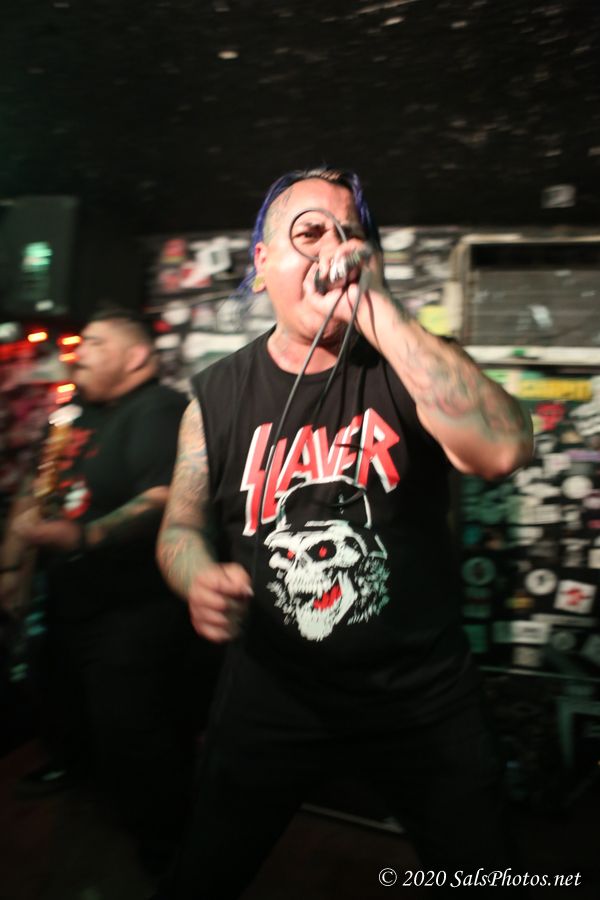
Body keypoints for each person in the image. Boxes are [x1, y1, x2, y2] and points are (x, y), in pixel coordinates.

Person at [154, 167, 534, 898]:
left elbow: (503, 450)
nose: (335, 248)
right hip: (271, 690)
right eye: (310, 233)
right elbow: (181, 522)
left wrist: (378, 308)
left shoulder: (407, 362)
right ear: (263, 263)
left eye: (350, 233)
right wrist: (194, 573)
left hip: (419, 694)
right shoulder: (218, 394)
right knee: (203, 874)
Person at [0, 308, 221, 875]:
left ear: (137, 357)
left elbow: (161, 500)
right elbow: (39, 487)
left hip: (133, 607)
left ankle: (166, 848)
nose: (82, 352)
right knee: (60, 695)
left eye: (97, 343)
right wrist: (13, 565)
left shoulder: (159, 410)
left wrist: (84, 535)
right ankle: (74, 772)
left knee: (135, 730)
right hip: (71, 596)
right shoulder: (77, 410)